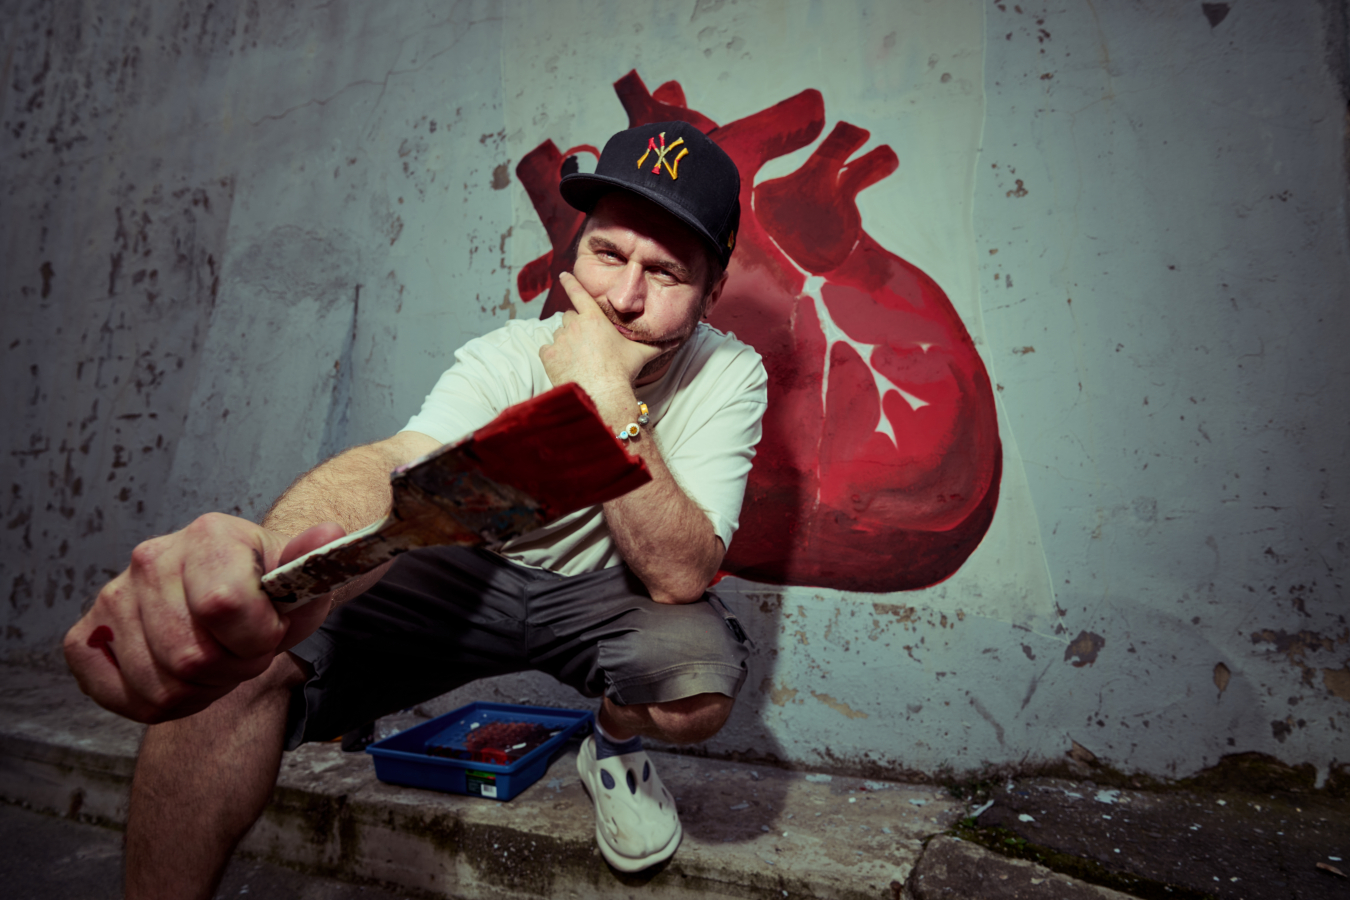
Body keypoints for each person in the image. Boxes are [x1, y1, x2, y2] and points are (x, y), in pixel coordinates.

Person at [62, 120, 767, 898]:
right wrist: (268, 567)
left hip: (606, 594)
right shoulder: (505, 356)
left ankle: (610, 741)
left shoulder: (731, 374)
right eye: (607, 254)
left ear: (712, 291)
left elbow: (679, 575)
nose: (623, 298)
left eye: (664, 272)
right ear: (577, 251)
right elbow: (393, 467)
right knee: (236, 663)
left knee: (696, 694)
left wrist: (605, 391)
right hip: (470, 572)